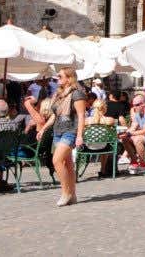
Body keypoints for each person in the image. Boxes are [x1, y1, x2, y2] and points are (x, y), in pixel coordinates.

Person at [49, 66, 87, 206]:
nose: (58, 79)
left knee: (56, 160)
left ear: (69, 78)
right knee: (67, 163)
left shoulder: (77, 93)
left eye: (60, 76)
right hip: (58, 131)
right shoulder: (59, 94)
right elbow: (55, 115)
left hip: (70, 131)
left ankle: (65, 193)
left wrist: (79, 135)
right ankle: (73, 195)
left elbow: (81, 115)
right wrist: (44, 129)